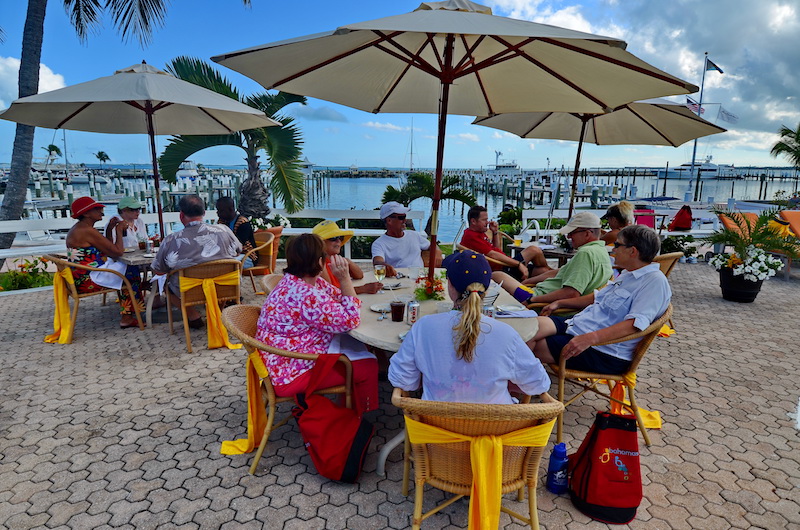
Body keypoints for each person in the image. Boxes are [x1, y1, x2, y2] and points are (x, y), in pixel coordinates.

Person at [388, 250, 551, 404]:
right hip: (494, 430)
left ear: (449, 286)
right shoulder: (506, 334)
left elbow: (403, 380)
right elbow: (538, 385)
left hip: (434, 429)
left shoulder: (423, 327)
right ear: (486, 291)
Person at [256, 234, 378, 415]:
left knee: (359, 346)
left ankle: (347, 406)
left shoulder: (298, 281)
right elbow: (351, 320)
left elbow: (337, 296)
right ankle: (356, 420)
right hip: (289, 372)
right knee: (368, 365)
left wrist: (344, 288)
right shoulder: (307, 294)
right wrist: (344, 278)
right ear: (320, 261)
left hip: (281, 358)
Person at [527, 225, 671, 375]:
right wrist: (560, 303)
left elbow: (634, 325)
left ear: (632, 251)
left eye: (617, 245)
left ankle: (522, 387)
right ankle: (521, 382)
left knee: (523, 344)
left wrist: (590, 338)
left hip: (603, 351)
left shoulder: (654, 282)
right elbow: (598, 297)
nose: (613, 250)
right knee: (526, 328)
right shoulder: (629, 273)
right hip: (580, 324)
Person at [151, 195, 242, 329]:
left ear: (181, 215)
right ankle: (218, 311)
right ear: (204, 213)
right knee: (223, 274)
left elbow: (159, 269)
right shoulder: (224, 230)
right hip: (224, 285)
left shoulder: (172, 240)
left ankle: (192, 314)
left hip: (189, 289)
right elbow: (238, 250)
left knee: (164, 282)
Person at [494, 212, 612, 305]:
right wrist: (529, 281)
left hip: (536, 299)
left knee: (496, 275)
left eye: (572, 232)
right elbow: (561, 271)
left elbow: (571, 293)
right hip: (541, 294)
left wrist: (534, 300)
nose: (569, 237)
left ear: (587, 233)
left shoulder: (586, 253)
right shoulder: (601, 250)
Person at [65, 196, 145, 328]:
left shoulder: (81, 228)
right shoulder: (86, 231)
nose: (101, 212)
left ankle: (131, 311)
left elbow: (107, 248)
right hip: (88, 280)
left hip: (80, 276)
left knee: (128, 270)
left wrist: (110, 230)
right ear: (86, 213)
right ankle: (127, 317)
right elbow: (117, 252)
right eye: (96, 209)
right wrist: (119, 231)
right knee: (131, 273)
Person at [459, 205, 551, 281]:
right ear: (473, 221)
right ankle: (558, 276)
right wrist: (519, 264)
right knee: (534, 250)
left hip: (505, 266)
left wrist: (495, 233)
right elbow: (493, 255)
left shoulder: (480, 233)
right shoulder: (471, 236)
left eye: (487, 219)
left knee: (544, 271)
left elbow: (497, 250)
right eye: (484, 220)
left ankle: (558, 277)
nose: (487, 222)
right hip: (502, 269)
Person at [312, 220, 383, 295]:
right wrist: (363, 289)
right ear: (321, 243)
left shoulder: (336, 260)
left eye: (340, 238)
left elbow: (359, 275)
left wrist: (347, 261)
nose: (338, 241)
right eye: (334, 238)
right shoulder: (319, 263)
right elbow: (330, 292)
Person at [371, 201, 430, 277]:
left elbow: (431, 246)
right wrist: (383, 265)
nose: (405, 220)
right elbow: (377, 261)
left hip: (419, 277)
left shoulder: (414, 235)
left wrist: (437, 252)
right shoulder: (379, 243)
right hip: (398, 278)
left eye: (405, 216)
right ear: (389, 221)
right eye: (401, 217)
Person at [215, 196, 258, 268]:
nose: (218, 213)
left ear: (231, 209)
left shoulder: (243, 223)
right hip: (230, 255)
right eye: (217, 210)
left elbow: (239, 245)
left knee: (225, 265)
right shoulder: (222, 221)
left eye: (221, 211)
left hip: (247, 257)